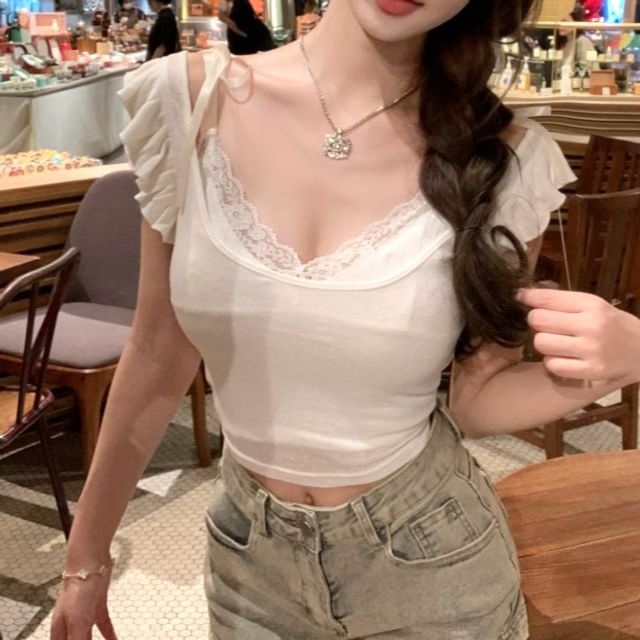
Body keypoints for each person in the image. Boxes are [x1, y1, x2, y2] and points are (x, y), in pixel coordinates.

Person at [50, 0, 640, 638]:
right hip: (249, 563)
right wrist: (86, 559)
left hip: (430, 560)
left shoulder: (505, 158)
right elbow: (157, 352)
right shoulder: (190, 100)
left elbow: (476, 403)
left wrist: (628, 355)